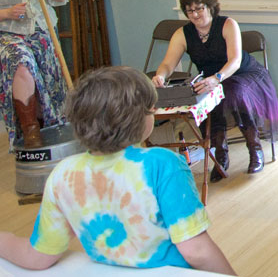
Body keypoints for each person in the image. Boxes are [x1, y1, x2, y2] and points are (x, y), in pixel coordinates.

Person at [0, 66, 236, 274]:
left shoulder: (64, 173)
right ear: (141, 117)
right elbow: (196, 251)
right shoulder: (162, 164)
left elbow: (37, 257)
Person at [152, 0, 278, 181]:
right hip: (213, 79)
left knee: (233, 92)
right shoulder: (183, 34)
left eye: (199, 9)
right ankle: (220, 155)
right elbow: (167, 64)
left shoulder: (227, 24)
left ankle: (254, 148)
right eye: (189, 11)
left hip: (243, 74)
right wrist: (160, 75)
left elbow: (235, 60)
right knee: (204, 94)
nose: (195, 15)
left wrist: (217, 78)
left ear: (210, 6)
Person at [0, 0, 69, 149]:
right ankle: (31, 132)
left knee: (48, 82)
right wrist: (7, 12)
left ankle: (48, 128)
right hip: (10, 34)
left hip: (43, 30)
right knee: (21, 62)